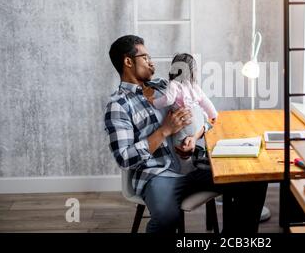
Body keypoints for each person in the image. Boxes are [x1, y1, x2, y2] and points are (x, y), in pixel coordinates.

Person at [104, 35, 267, 233]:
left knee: (252, 181)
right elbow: (124, 158)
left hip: (195, 165)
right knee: (166, 219)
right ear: (128, 61)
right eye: (145, 57)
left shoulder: (166, 86)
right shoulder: (118, 105)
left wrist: (194, 138)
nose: (151, 62)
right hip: (159, 175)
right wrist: (164, 130)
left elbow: (206, 120)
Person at [147, 53, 218, 174]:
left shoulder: (174, 84)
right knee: (191, 146)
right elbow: (205, 101)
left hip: (184, 123)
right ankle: (197, 165)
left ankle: (186, 169)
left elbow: (168, 99)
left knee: (179, 146)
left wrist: (154, 102)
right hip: (198, 121)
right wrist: (213, 115)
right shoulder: (193, 85)